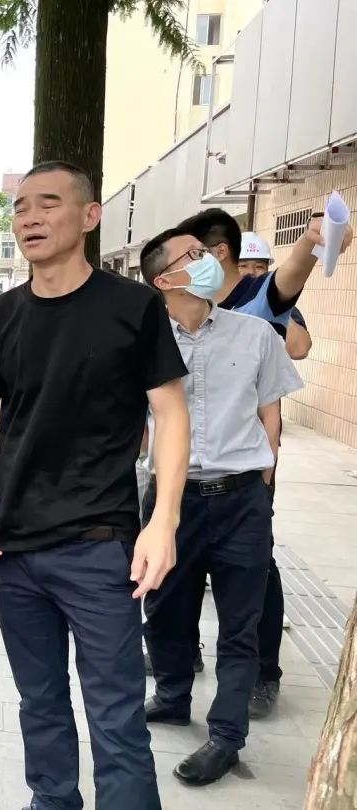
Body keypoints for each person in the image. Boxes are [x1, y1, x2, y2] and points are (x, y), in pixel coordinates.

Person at [0, 161, 190, 810]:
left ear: (90, 216)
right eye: (20, 207)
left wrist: (163, 521)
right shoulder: (1, 315)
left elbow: (171, 414)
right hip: (11, 552)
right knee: (39, 703)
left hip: (98, 548)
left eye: (48, 203)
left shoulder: (134, 307)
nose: (29, 217)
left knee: (116, 717)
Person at [138, 228, 303, 786]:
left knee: (240, 623)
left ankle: (227, 737)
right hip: (172, 500)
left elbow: (270, 413)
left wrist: (265, 481)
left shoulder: (255, 334)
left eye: (206, 251)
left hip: (241, 500)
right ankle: (172, 696)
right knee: (165, 608)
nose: (210, 259)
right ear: (165, 280)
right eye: (194, 255)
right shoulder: (144, 342)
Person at [175, 208, 352, 719]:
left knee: (255, 574)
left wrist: (312, 242)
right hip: (187, 469)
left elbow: (288, 279)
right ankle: (180, 659)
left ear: (217, 253)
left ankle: (262, 674)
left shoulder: (256, 299)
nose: (184, 265)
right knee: (181, 569)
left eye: (191, 253)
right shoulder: (186, 308)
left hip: (245, 471)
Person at [239, 231, 312, 360]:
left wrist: (274, 309)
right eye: (243, 266)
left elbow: (300, 350)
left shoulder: (282, 303)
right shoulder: (215, 303)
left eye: (259, 266)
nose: (251, 272)